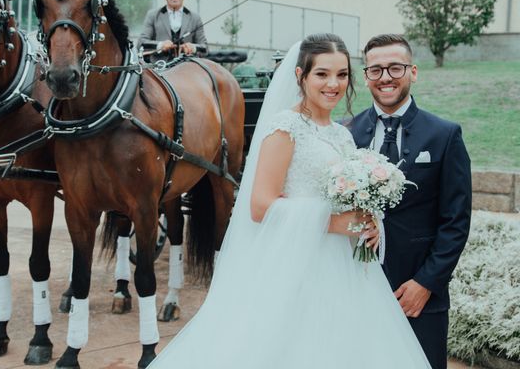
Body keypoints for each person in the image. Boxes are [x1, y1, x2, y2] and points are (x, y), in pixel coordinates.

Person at [148, 34, 431, 368]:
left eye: (341, 75)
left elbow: (343, 197)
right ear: (301, 77)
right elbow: (261, 206)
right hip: (295, 263)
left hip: (347, 267)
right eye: (322, 74)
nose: (333, 84)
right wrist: (333, 222)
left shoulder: (342, 133)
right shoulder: (285, 128)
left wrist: (369, 223)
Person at [349, 34, 471, 369]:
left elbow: (456, 222)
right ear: (366, 77)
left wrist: (426, 283)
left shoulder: (445, 135)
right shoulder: (346, 133)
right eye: (375, 70)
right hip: (354, 288)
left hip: (417, 295)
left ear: (413, 72)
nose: (385, 77)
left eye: (395, 67)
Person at [136, 0, 207, 61]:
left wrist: (193, 47)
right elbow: (141, 43)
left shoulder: (195, 18)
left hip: (187, 68)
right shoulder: (152, 15)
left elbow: (205, 48)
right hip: (159, 69)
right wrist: (160, 45)